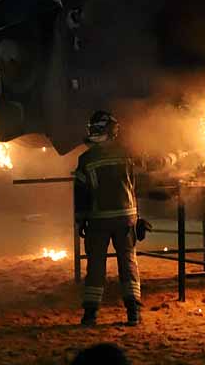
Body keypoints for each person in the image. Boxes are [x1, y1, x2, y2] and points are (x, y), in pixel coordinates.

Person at [74, 110, 175, 327]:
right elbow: (153, 165)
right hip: (125, 219)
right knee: (128, 262)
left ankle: (90, 314)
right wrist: (176, 157)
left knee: (95, 265)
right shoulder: (127, 153)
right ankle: (133, 312)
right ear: (113, 131)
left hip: (98, 220)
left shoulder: (86, 159)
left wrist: (81, 220)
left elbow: (81, 195)